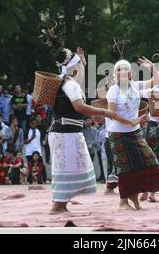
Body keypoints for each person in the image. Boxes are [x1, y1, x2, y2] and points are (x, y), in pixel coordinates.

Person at [47, 46, 118, 214]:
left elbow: (78, 83)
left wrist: (83, 63)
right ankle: (58, 205)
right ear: (74, 66)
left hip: (64, 131)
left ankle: (61, 203)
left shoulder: (63, 81)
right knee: (66, 168)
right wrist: (104, 111)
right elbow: (79, 106)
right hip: (66, 132)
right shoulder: (70, 85)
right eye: (79, 65)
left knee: (69, 166)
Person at [106, 58, 159, 211]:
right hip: (118, 133)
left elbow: (156, 81)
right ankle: (124, 202)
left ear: (129, 74)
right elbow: (111, 114)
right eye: (119, 69)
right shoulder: (113, 90)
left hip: (135, 132)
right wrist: (133, 122)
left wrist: (151, 67)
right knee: (125, 169)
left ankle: (137, 199)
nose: (123, 72)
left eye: (126, 69)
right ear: (116, 73)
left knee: (150, 161)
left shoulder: (134, 86)